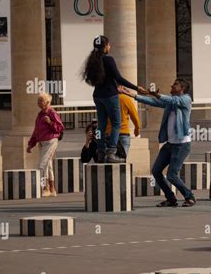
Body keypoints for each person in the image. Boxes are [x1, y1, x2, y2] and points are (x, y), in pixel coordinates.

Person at [124, 79, 196, 207]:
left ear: (182, 88)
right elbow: (154, 102)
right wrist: (133, 95)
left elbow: (173, 100)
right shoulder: (170, 102)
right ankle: (171, 199)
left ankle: (189, 196)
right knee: (156, 171)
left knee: (172, 175)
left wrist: (157, 94)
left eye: (175, 84)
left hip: (181, 145)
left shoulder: (186, 99)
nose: (171, 85)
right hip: (169, 144)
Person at [81, 35, 146, 163]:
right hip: (110, 95)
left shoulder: (93, 61)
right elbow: (119, 79)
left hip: (97, 95)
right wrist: (136, 88)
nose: (109, 47)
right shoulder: (108, 59)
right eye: (109, 45)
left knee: (101, 125)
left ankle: (101, 152)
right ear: (105, 47)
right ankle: (111, 152)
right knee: (116, 123)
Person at [27, 93, 64, 197]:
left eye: (41, 101)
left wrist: (50, 122)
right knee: (48, 165)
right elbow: (36, 131)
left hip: (50, 141)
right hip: (42, 142)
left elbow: (60, 127)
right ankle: (52, 189)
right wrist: (31, 144)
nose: (38, 103)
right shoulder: (40, 114)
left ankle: (44, 187)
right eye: (38, 101)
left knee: (42, 165)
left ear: (47, 102)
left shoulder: (51, 112)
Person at [106, 87, 141, 157]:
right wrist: (137, 129)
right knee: (122, 159)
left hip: (110, 133)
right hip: (123, 133)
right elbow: (135, 117)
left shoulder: (107, 99)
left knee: (110, 159)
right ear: (120, 87)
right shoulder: (126, 99)